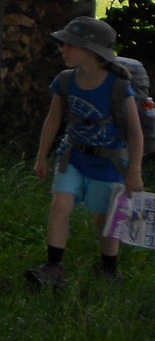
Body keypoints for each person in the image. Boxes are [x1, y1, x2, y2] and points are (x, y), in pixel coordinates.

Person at [26, 16, 145, 289]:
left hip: (108, 164)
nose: (63, 49)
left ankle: (109, 269)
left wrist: (134, 171)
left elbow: (135, 132)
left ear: (92, 51)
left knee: (105, 219)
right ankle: (53, 267)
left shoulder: (117, 85)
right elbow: (53, 119)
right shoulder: (65, 80)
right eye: (64, 44)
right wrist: (42, 155)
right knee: (60, 205)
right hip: (72, 157)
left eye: (71, 45)